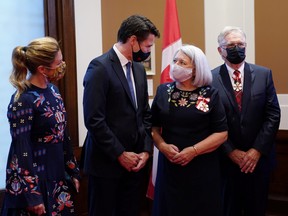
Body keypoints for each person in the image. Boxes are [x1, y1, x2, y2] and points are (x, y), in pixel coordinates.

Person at [82, 14, 160, 216]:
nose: (149, 51)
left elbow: (144, 114)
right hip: (106, 164)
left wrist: (145, 151)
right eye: (148, 46)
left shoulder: (138, 69)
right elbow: (94, 120)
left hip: (136, 166)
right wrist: (119, 154)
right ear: (133, 40)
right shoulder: (99, 67)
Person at [0, 37, 80, 216]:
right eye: (58, 63)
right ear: (42, 69)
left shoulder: (53, 91)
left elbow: (62, 132)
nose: (62, 66)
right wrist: (32, 195)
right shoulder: (22, 100)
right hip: (35, 181)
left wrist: (73, 170)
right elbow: (22, 149)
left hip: (56, 175)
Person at [151, 44, 228, 216]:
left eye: (183, 62)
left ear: (195, 69)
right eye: (175, 61)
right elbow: (152, 125)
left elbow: (222, 133)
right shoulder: (163, 91)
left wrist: (193, 151)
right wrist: (162, 146)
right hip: (170, 166)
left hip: (202, 168)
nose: (176, 65)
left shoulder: (210, 94)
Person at [212, 26, 281, 216]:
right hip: (225, 162)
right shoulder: (209, 79)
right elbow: (210, 121)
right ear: (220, 50)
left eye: (240, 44)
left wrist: (256, 151)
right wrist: (231, 151)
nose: (237, 48)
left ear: (246, 46)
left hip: (258, 161)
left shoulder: (264, 74)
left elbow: (273, 114)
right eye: (231, 45)